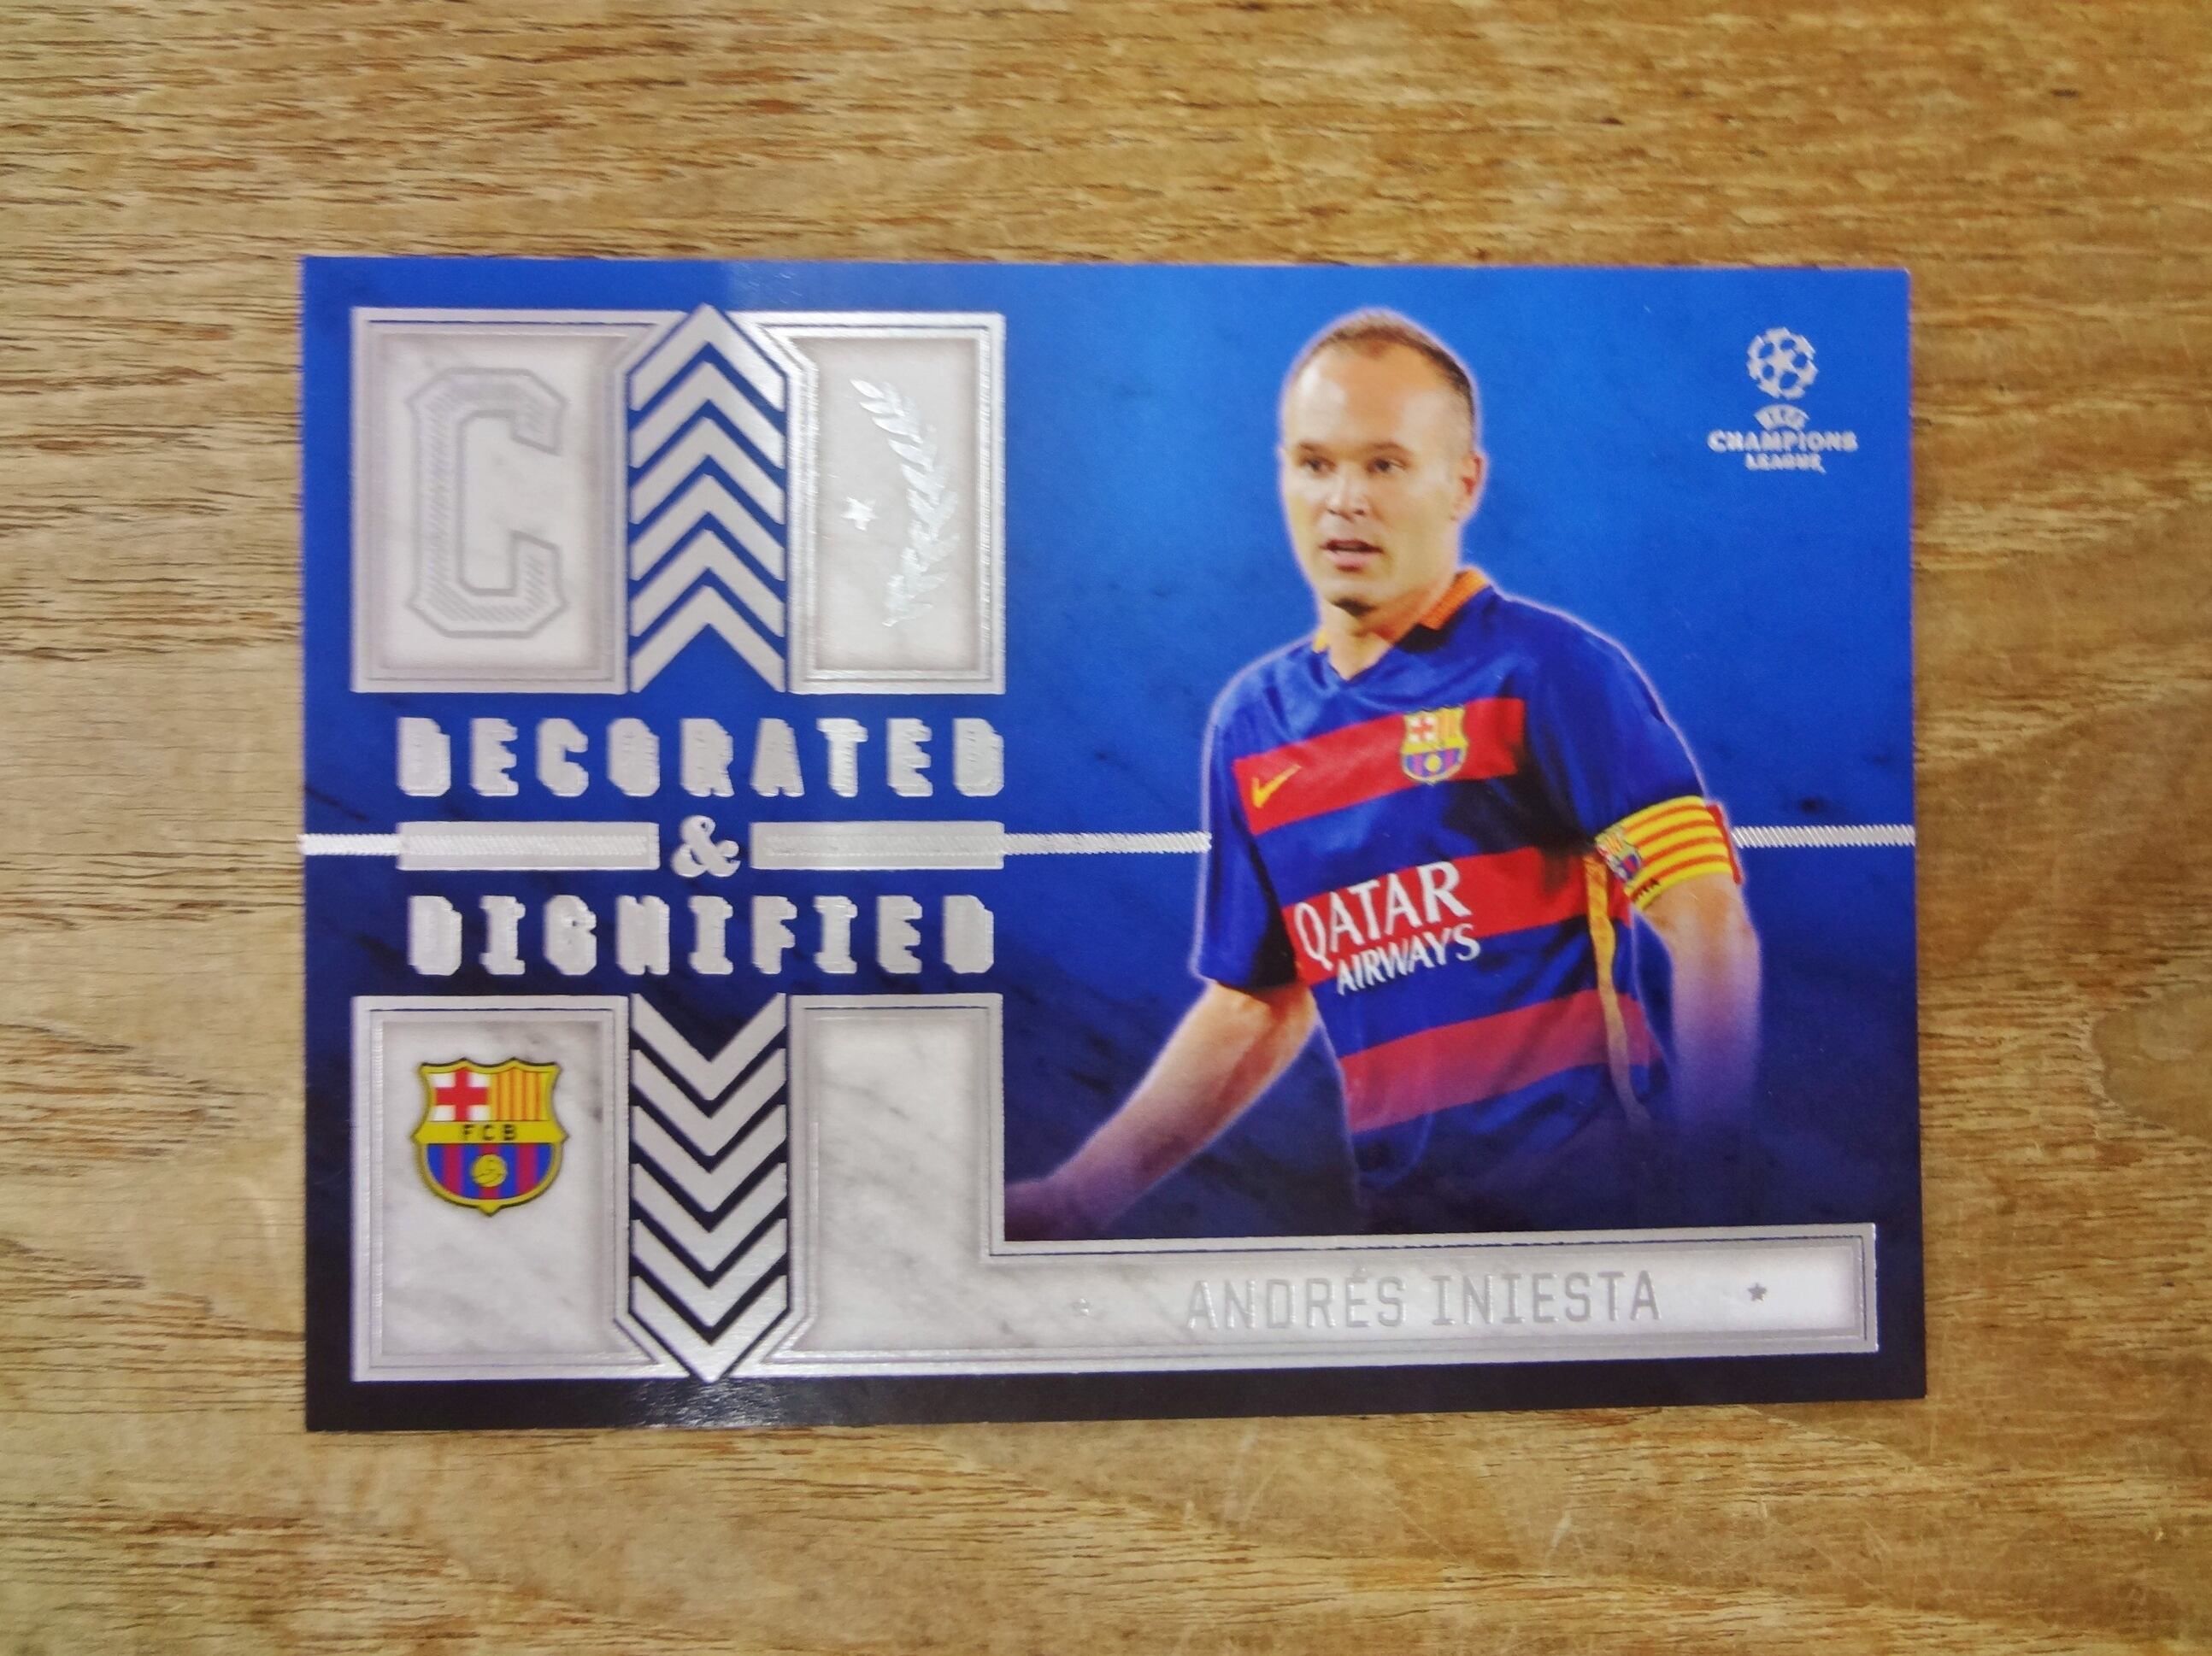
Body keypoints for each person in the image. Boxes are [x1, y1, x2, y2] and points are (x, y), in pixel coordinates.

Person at [1007, 310, 1761, 1239]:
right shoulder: (1254, 724)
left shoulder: (1547, 671)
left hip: (1594, 1224)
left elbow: (1706, 918)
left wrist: (1710, 1178)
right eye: (1315, 464)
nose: (1343, 501)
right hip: (1405, 1242)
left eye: (1385, 465)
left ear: (1463, 483)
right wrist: (1077, 1198)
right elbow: (1254, 1006)